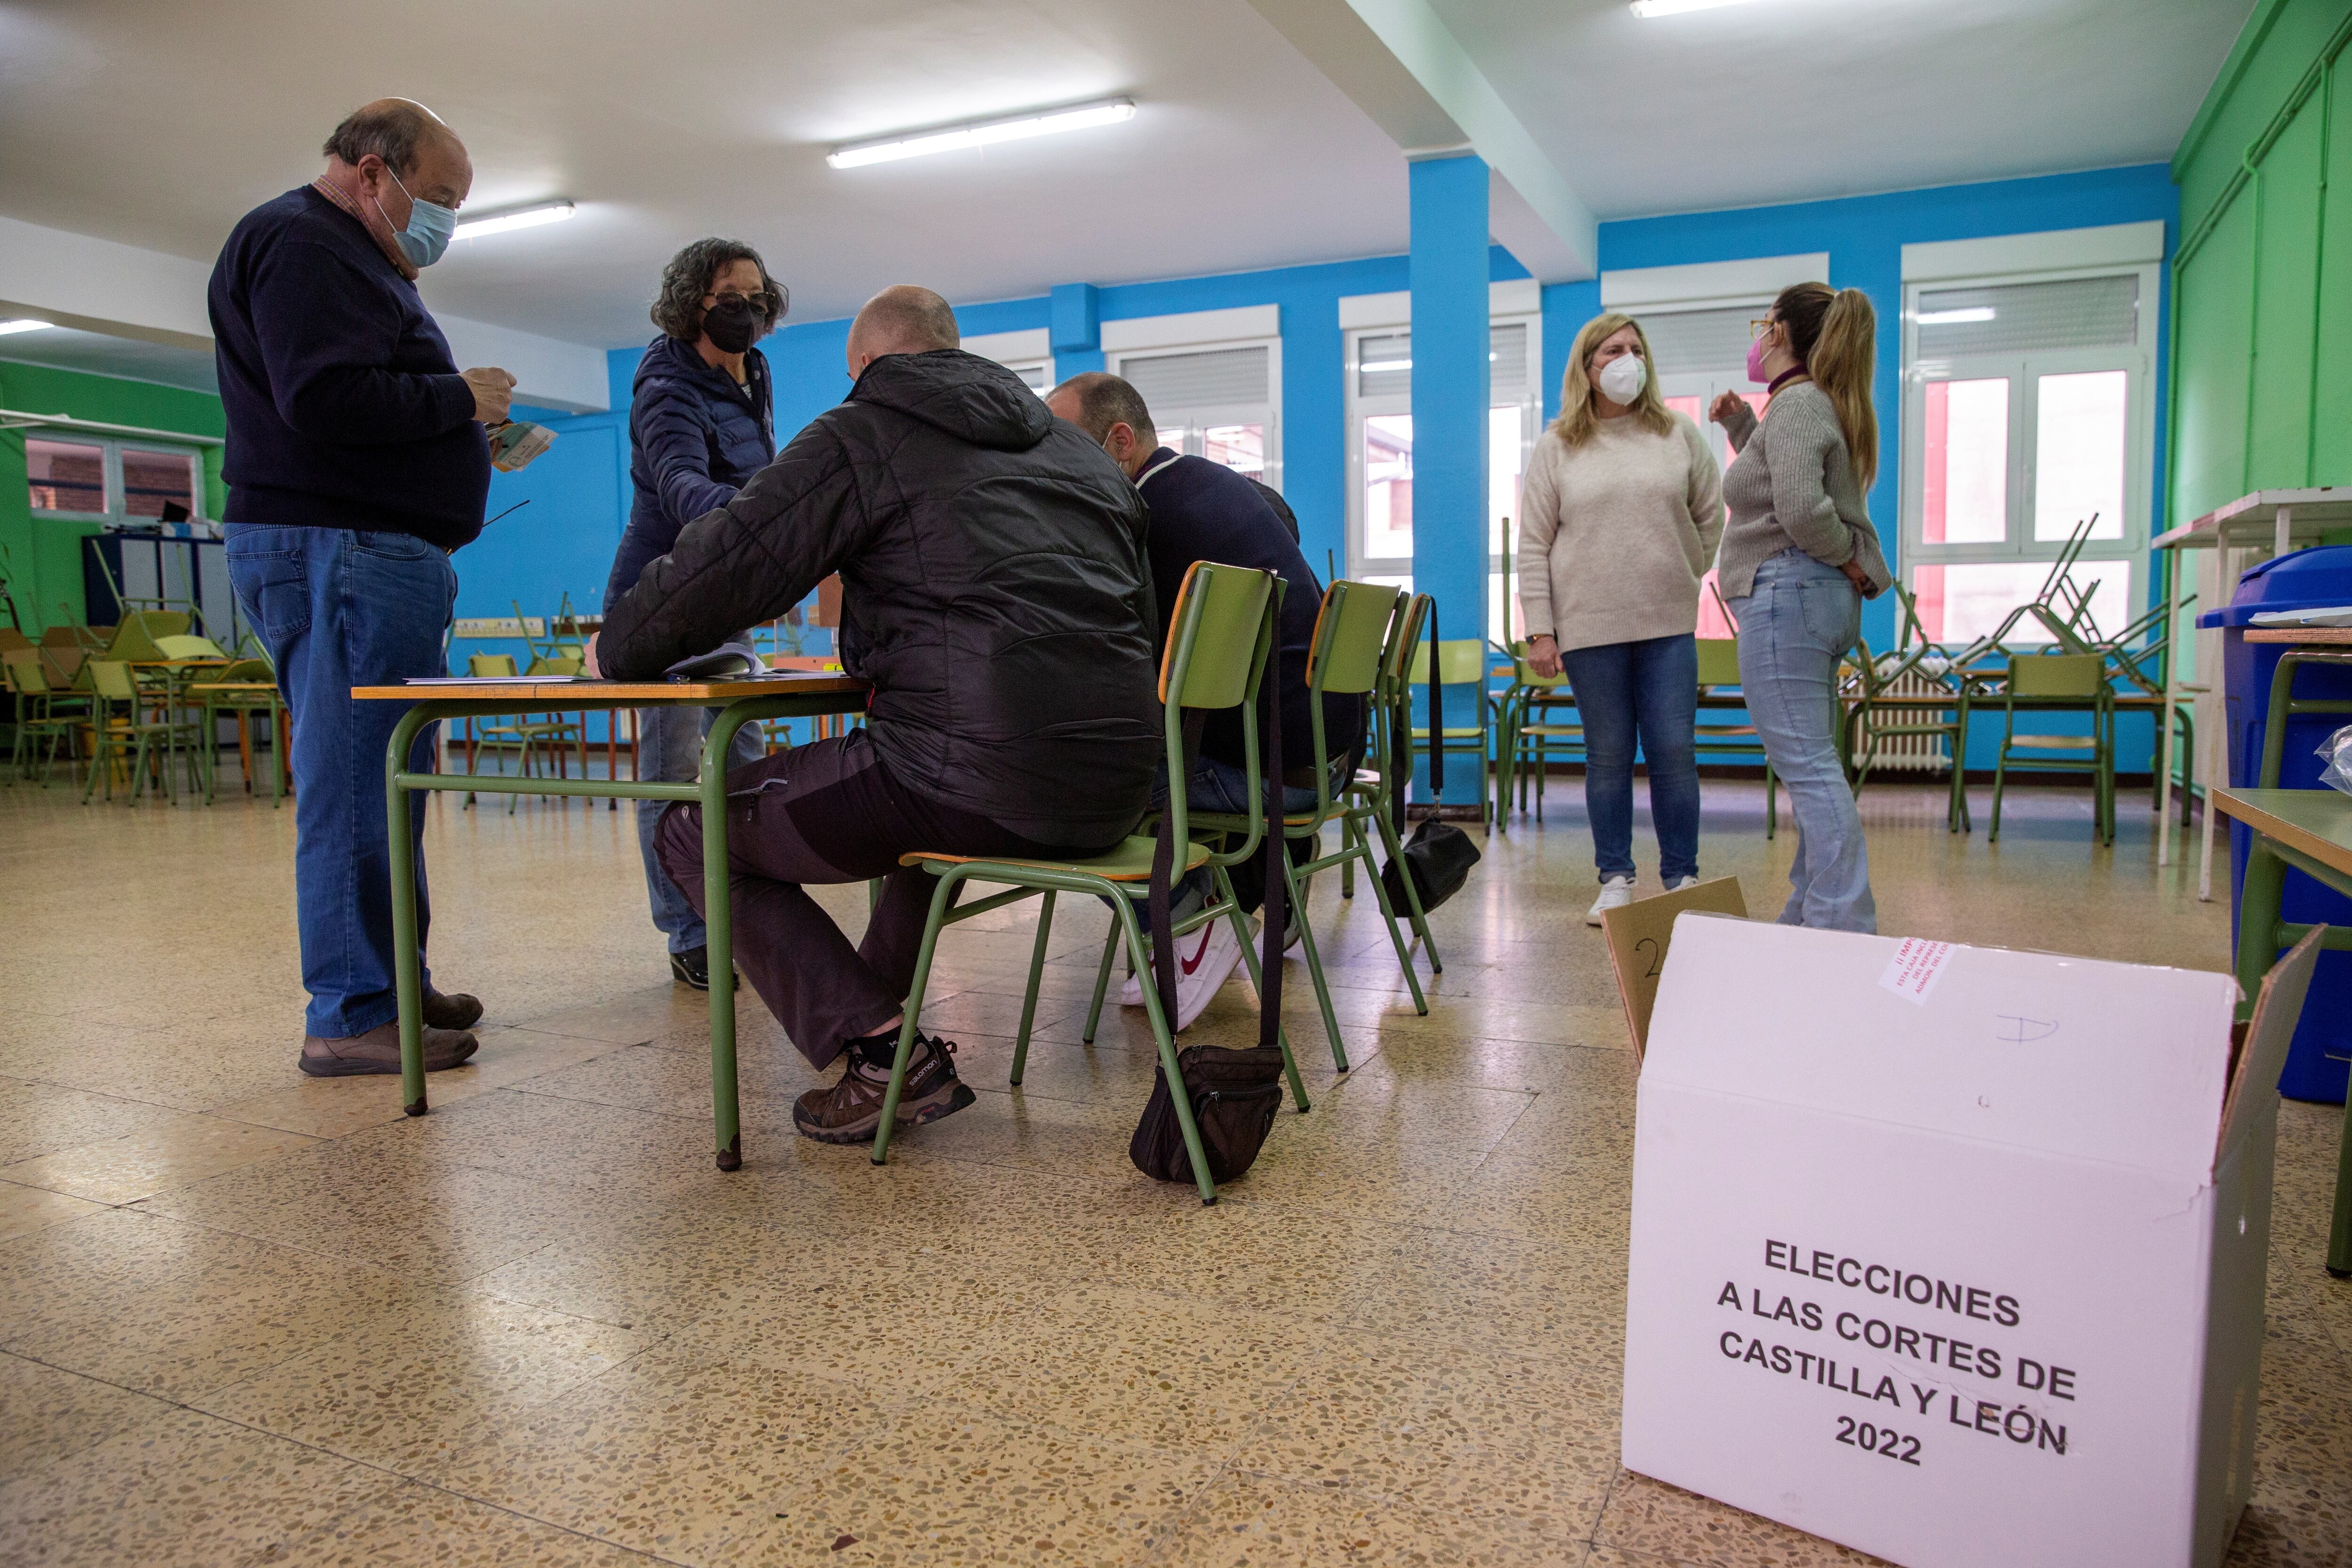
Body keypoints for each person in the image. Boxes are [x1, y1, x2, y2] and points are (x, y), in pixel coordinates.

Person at [592, 287, 1161, 1145]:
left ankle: (879, 1049)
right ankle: (870, 1014)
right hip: (1119, 788)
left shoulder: (863, 431)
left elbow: (733, 560)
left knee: (692, 831)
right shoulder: (1081, 459)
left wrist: (620, 643)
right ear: (956, 351)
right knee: (917, 836)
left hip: (976, 777)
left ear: (867, 366)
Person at [209, 99, 513, 1077]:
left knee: (387, 782)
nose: (447, 222)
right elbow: (326, 399)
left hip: (369, 550)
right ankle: (347, 1012)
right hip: (336, 550)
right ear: (373, 173)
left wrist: (458, 436)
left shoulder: (358, 258)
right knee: (351, 783)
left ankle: (392, 980)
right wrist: (458, 399)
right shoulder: (305, 242)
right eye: (440, 198)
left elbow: (354, 395)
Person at [1044, 373, 1364, 1027]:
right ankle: (1204, 915)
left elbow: (1129, 674)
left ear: (1120, 441)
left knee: (1064, 786)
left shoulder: (1152, 519)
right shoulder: (1212, 485)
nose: (1056, 470)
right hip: (1322, 760)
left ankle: (1189, 923)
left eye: (1066, 450)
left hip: (1270, 774)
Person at [608, 239, 788, 990]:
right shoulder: (666, 382)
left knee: (742, 763)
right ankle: (689, 930)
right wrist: (774, 513)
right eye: (727, 296)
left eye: (754, 293)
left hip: (726, 591)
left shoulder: (754, 370)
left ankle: (742, 912)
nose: (743, 307)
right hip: (662, 596)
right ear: (692, 303)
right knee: (678, 770)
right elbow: (683, 487)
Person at [1518, 312, 1724, 925]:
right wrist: (1541, 628)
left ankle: (1681, 877)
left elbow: (1711, 517)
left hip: (1667, 624)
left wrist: (1685, 573)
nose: (1628, 358)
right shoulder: (1558, 446)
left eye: (1636, 348)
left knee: (1673, 750)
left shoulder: (1678, 434)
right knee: (1608, 754)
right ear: (1588, 366)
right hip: (1589, 628)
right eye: (1613, 349)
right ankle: (1615, 877)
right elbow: (1533, 544)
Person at [1709, 282, 1892, 931]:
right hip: (1810, 600)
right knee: (1815, 763)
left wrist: (1845, 553)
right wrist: (1740, 428)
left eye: (1765, 324)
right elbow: (1777, 477)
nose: (1758, 338)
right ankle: (1809, 912)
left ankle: (1841, 923)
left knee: (1810, 770)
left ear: (1780, 333)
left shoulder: (1798, 404)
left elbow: (1798, 508)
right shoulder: (1809, 406)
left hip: (1787, 596)